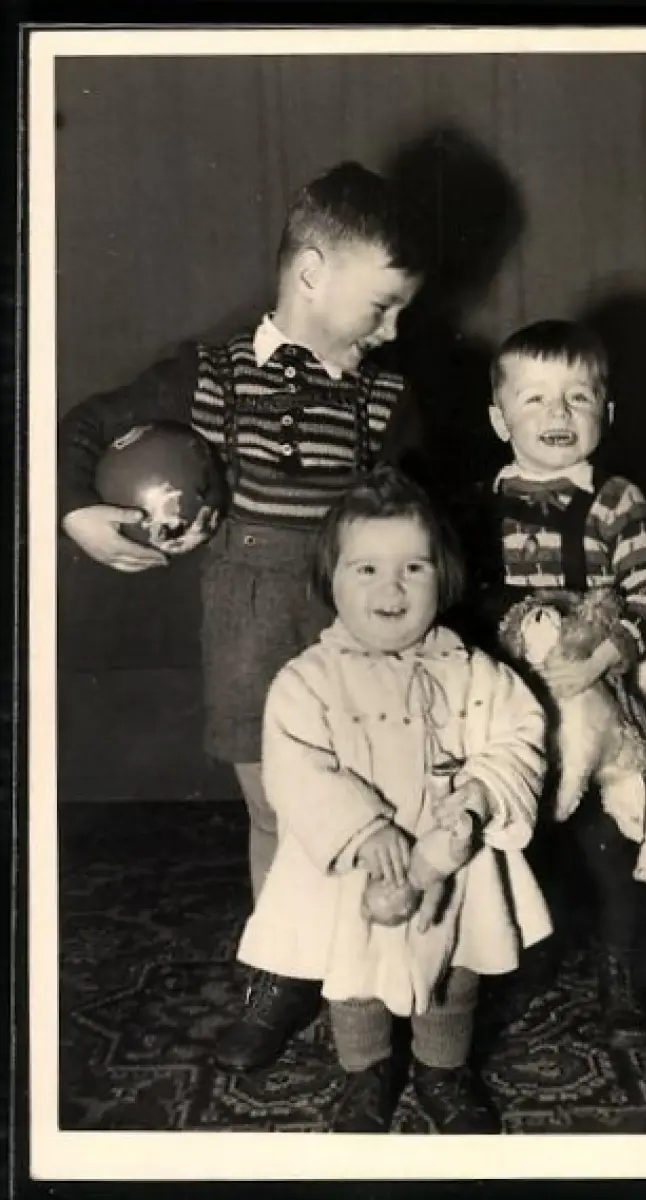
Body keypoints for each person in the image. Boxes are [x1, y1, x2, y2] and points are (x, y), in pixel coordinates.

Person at [57, 162, 426, 1071]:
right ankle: (280, 974)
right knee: (273, 809)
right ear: (312, 274)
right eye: (382, 307)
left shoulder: (388, 397)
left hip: (352, 631)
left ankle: (368, 976)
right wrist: (79, 515)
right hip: (248, 624)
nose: (393, 330)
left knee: (365, 799)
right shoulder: (210, 373)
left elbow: (419, 522)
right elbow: (81, 428)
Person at [235, 465, 551, 1132]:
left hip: (453, 861)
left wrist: (479, 793)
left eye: (413, 568)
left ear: (445, 576)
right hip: (355, 867)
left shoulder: (475, 673)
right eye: (367, 569)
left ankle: (443, 1069)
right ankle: (366, 1071)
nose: (392, 588)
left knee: (455, 969)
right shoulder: (307, 680)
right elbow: (295, 767)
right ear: (331, 580)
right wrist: (361, 828)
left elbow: (520, 737)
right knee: (354, 974)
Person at [476, 318, 646, 1048]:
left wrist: (605, 657)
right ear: (500, 418)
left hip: (599, 695)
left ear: (607, 411)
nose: (558, 413)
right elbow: (466, 593)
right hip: (513, 697)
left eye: (578, 396)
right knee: (518, 830)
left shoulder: (616, 500)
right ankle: (525, 952)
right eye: (534, 398)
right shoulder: (481, 505)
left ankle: (620, 970)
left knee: (609, 835)